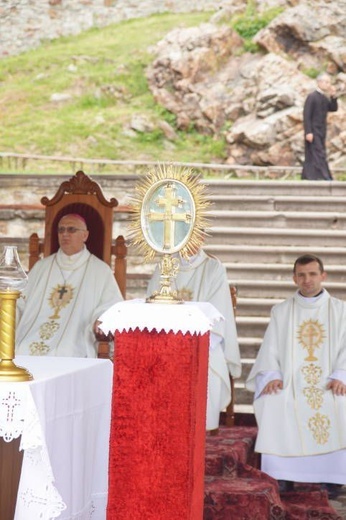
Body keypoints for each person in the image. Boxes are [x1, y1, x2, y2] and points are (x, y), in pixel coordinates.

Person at [246, 254, 346, 497]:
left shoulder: (341, 310)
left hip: (329, 380)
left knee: (340, 401)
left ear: (323, 276)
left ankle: (332, 478)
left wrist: (341, 374)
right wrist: (271, 374)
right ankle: (283, 475)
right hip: (290, 381)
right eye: (301, 275)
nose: (307, 279)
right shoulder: (281, 311)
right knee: (273, 399)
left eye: (312, 274)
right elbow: (270, 347)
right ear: (294, 278)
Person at [147, 248, 242, 431]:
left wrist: (190, 345)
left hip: (203, 344)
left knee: (208, 368)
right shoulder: (164, 266)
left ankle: (200, 432)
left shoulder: (213, 267)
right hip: (167, 345)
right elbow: (151, 306)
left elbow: (217, 313)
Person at [16, 213, 123, 357]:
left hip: (73, 337)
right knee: (21, 348)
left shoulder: (100, 270)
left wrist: (101, 319)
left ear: (85, 235)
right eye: (61, 230)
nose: (65, 234)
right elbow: (19, 303)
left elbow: (112, 306)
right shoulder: (41, 267)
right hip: (32, 333)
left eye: (71, 229)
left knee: (65, 351)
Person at [302, 73, 338, 180]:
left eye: (329, 82)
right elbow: (306, 115)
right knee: (318, 152)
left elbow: (333, 108)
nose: (328, 85)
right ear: (319, 82)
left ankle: (309, 176)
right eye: (326, 82)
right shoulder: (312, 97)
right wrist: (308, 131)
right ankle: (324, 176)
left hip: (322, 130)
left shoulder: (323, 97)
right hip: (313, 130)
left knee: (317, 152)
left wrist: (333, 96)